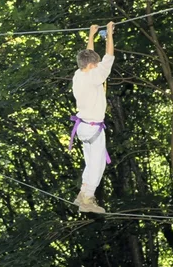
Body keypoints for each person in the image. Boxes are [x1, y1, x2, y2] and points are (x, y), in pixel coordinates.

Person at [71, 22, 115, 213]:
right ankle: (88, 200)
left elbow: (89, 56)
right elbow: (109, 57)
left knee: (91, 163)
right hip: (93, 127)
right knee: (97, 167)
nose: (98, 67)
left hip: (83, 128)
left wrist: (91, 35)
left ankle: (82, 194)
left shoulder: (79, 74)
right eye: (95, 65)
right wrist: (110, 34)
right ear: (91, 66)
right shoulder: (95, 75)